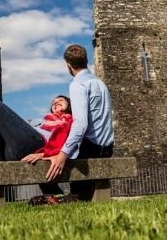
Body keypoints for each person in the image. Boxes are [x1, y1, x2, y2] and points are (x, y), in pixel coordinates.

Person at [43, 44, 114, 183]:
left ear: (68, 65)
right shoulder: (100, 83)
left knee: (50, 162)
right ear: (86, 61)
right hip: (107, 148)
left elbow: (81, 123)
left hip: (90, 148)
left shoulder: (77, 84)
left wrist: (63, 155)